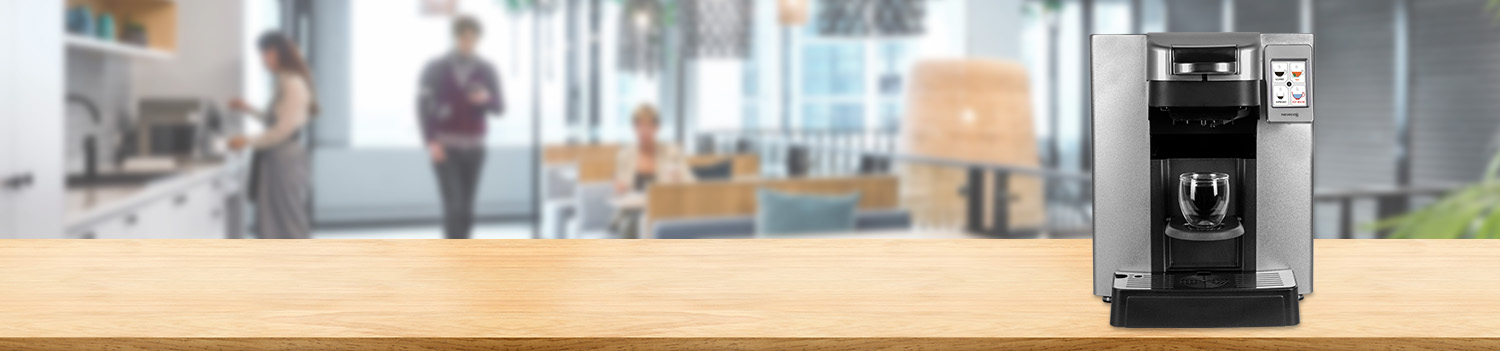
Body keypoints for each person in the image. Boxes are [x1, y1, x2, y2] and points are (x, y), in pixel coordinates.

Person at [418, 15, 505, 239]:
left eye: (473, 39)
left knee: (467, 209)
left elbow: (500, 107)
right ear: (455, 37)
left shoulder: (486, 69)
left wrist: (485, 99)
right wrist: (431, 141)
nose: (468, 43)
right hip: (446, 148)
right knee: (453, 206)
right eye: (464, 38)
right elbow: (422, 107)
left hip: (475, 150)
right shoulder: (435, 68)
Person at [227, 31, 319, 239]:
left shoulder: (292, 83)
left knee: (288, 220)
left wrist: (247, 140)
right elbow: (274, 120)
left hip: (285, 158)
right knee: (274, 221)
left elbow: (283, 129)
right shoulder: (283, 81)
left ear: (279, 52)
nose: (263, 58)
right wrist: (247, 108)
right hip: (277, 157)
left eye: (265, 52)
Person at [614, 104, 694, 195]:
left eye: (648, 125)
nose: (643, 130)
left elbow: (691, 185)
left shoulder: (672, 152)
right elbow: (618, 191)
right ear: (633, 128)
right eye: (639, 125)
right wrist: (619, 189)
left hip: (664, 206)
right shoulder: (624, 155)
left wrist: (679, 182)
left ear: (657, 127)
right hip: (631, 208)